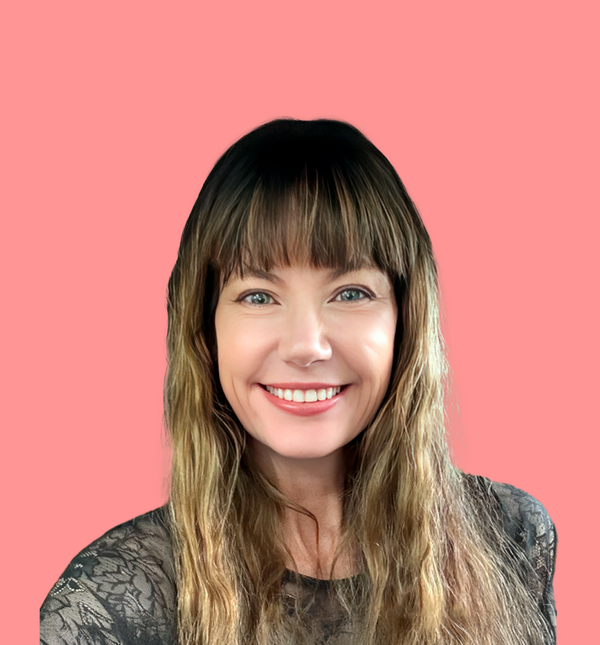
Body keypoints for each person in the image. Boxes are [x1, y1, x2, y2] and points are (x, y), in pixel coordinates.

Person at [40, 118, 557, 645]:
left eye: (351, 293)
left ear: (405, 320)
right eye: (258, 296)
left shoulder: (512, 536)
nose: (306, 346)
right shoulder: (108, 603)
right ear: (205, 327)